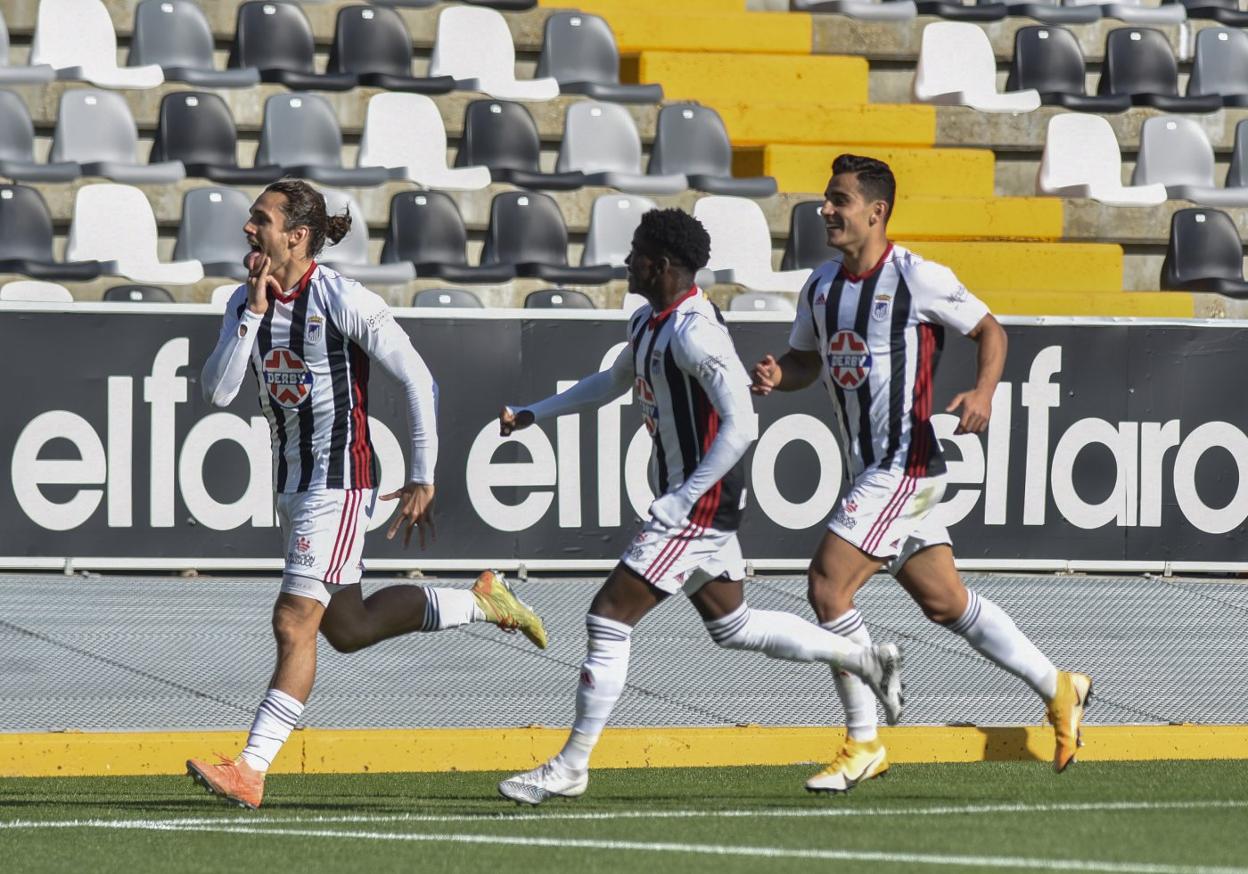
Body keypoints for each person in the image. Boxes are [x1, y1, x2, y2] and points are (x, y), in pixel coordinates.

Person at [494, 208, 904, 806]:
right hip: (693, 499)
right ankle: (863, 657)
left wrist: (685, 497)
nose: (627, 261)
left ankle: (572, 765)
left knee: (608, 616)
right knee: (732, 625)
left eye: (636, 252)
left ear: (660, 266)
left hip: (701, 502)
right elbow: (610, 382)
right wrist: (535, 413)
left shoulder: (695, 332)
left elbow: (741, 425)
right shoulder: (648, 321)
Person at [187, 179, 546, 810]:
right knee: (349, 627)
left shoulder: (341, 298)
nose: (249, 229)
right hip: (294, 484)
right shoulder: (244, 300)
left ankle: (251, 766)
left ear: (296, 236)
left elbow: (417, 377)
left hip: (340, 479)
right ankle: (485, 604)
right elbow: (216, 393)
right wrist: (249, 312)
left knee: (293, 620)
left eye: (260, 220)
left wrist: (424, 473)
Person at [751, 155, 1092, 793]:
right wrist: (779, 377)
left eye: (839, 200)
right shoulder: (821, 287)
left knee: (828, 588)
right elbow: (806, 362)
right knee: (946, 603)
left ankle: (862, 743)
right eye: (827, 200)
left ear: (876, 212)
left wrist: (984, 393)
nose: (826, 210)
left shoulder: (917, 277)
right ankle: (1059, 686)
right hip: (873, 470)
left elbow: (990, 331)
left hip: (902, 465)